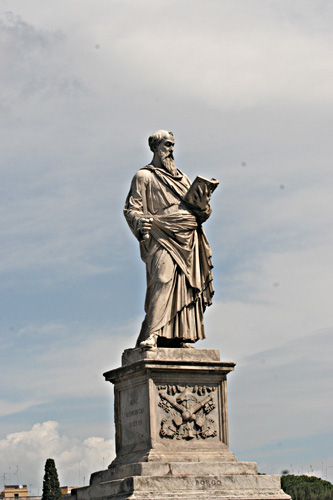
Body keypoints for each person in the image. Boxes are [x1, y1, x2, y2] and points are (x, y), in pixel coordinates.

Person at [124, 130, 214, 348]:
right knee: (162, 279)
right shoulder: (144, 177)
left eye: (173, 145)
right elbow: (131, 209)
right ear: (155, 147)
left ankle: (179, 335)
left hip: (187, 237)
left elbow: (201, 212)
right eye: (166, 145)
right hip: (161, 234)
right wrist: (139, 221)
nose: (171, 150)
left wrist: (204, 206)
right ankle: (153, 334)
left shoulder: (183, 179)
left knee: (185, 285)